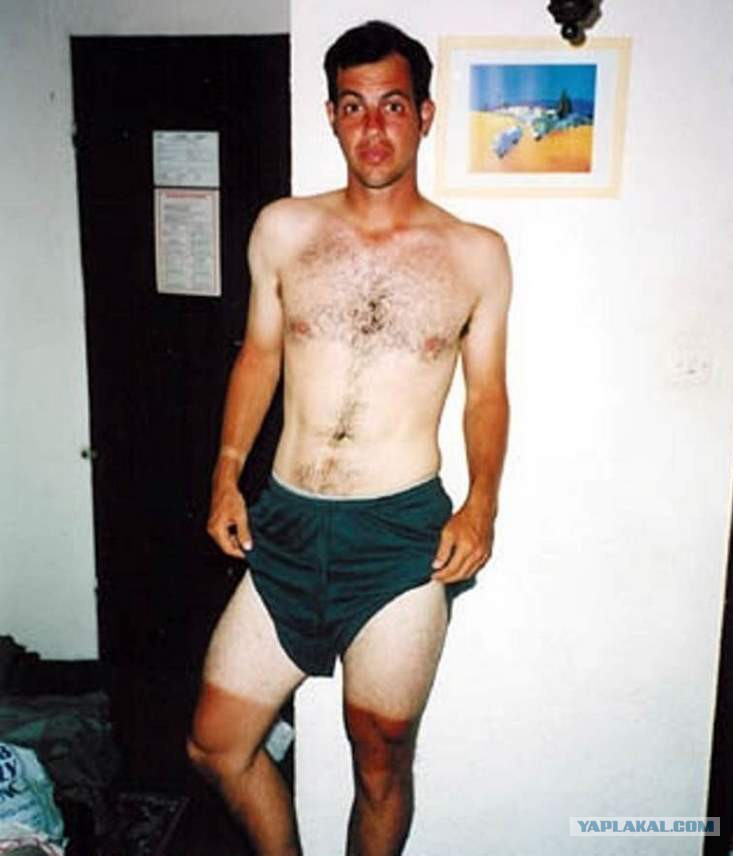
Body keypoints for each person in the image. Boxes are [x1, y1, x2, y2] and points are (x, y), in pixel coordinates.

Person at [187, 19, 512, 856]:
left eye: (393, 105)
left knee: (379, 761)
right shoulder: (284, 229)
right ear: (331, 115)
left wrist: (482, 504)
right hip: (287, 525)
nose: (373, 127)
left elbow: (485, 396)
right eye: (354, 105)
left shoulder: (476, 254)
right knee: (216, 745)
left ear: (425, 115)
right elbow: (259, 357)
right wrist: (227, 474)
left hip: (400, 538)